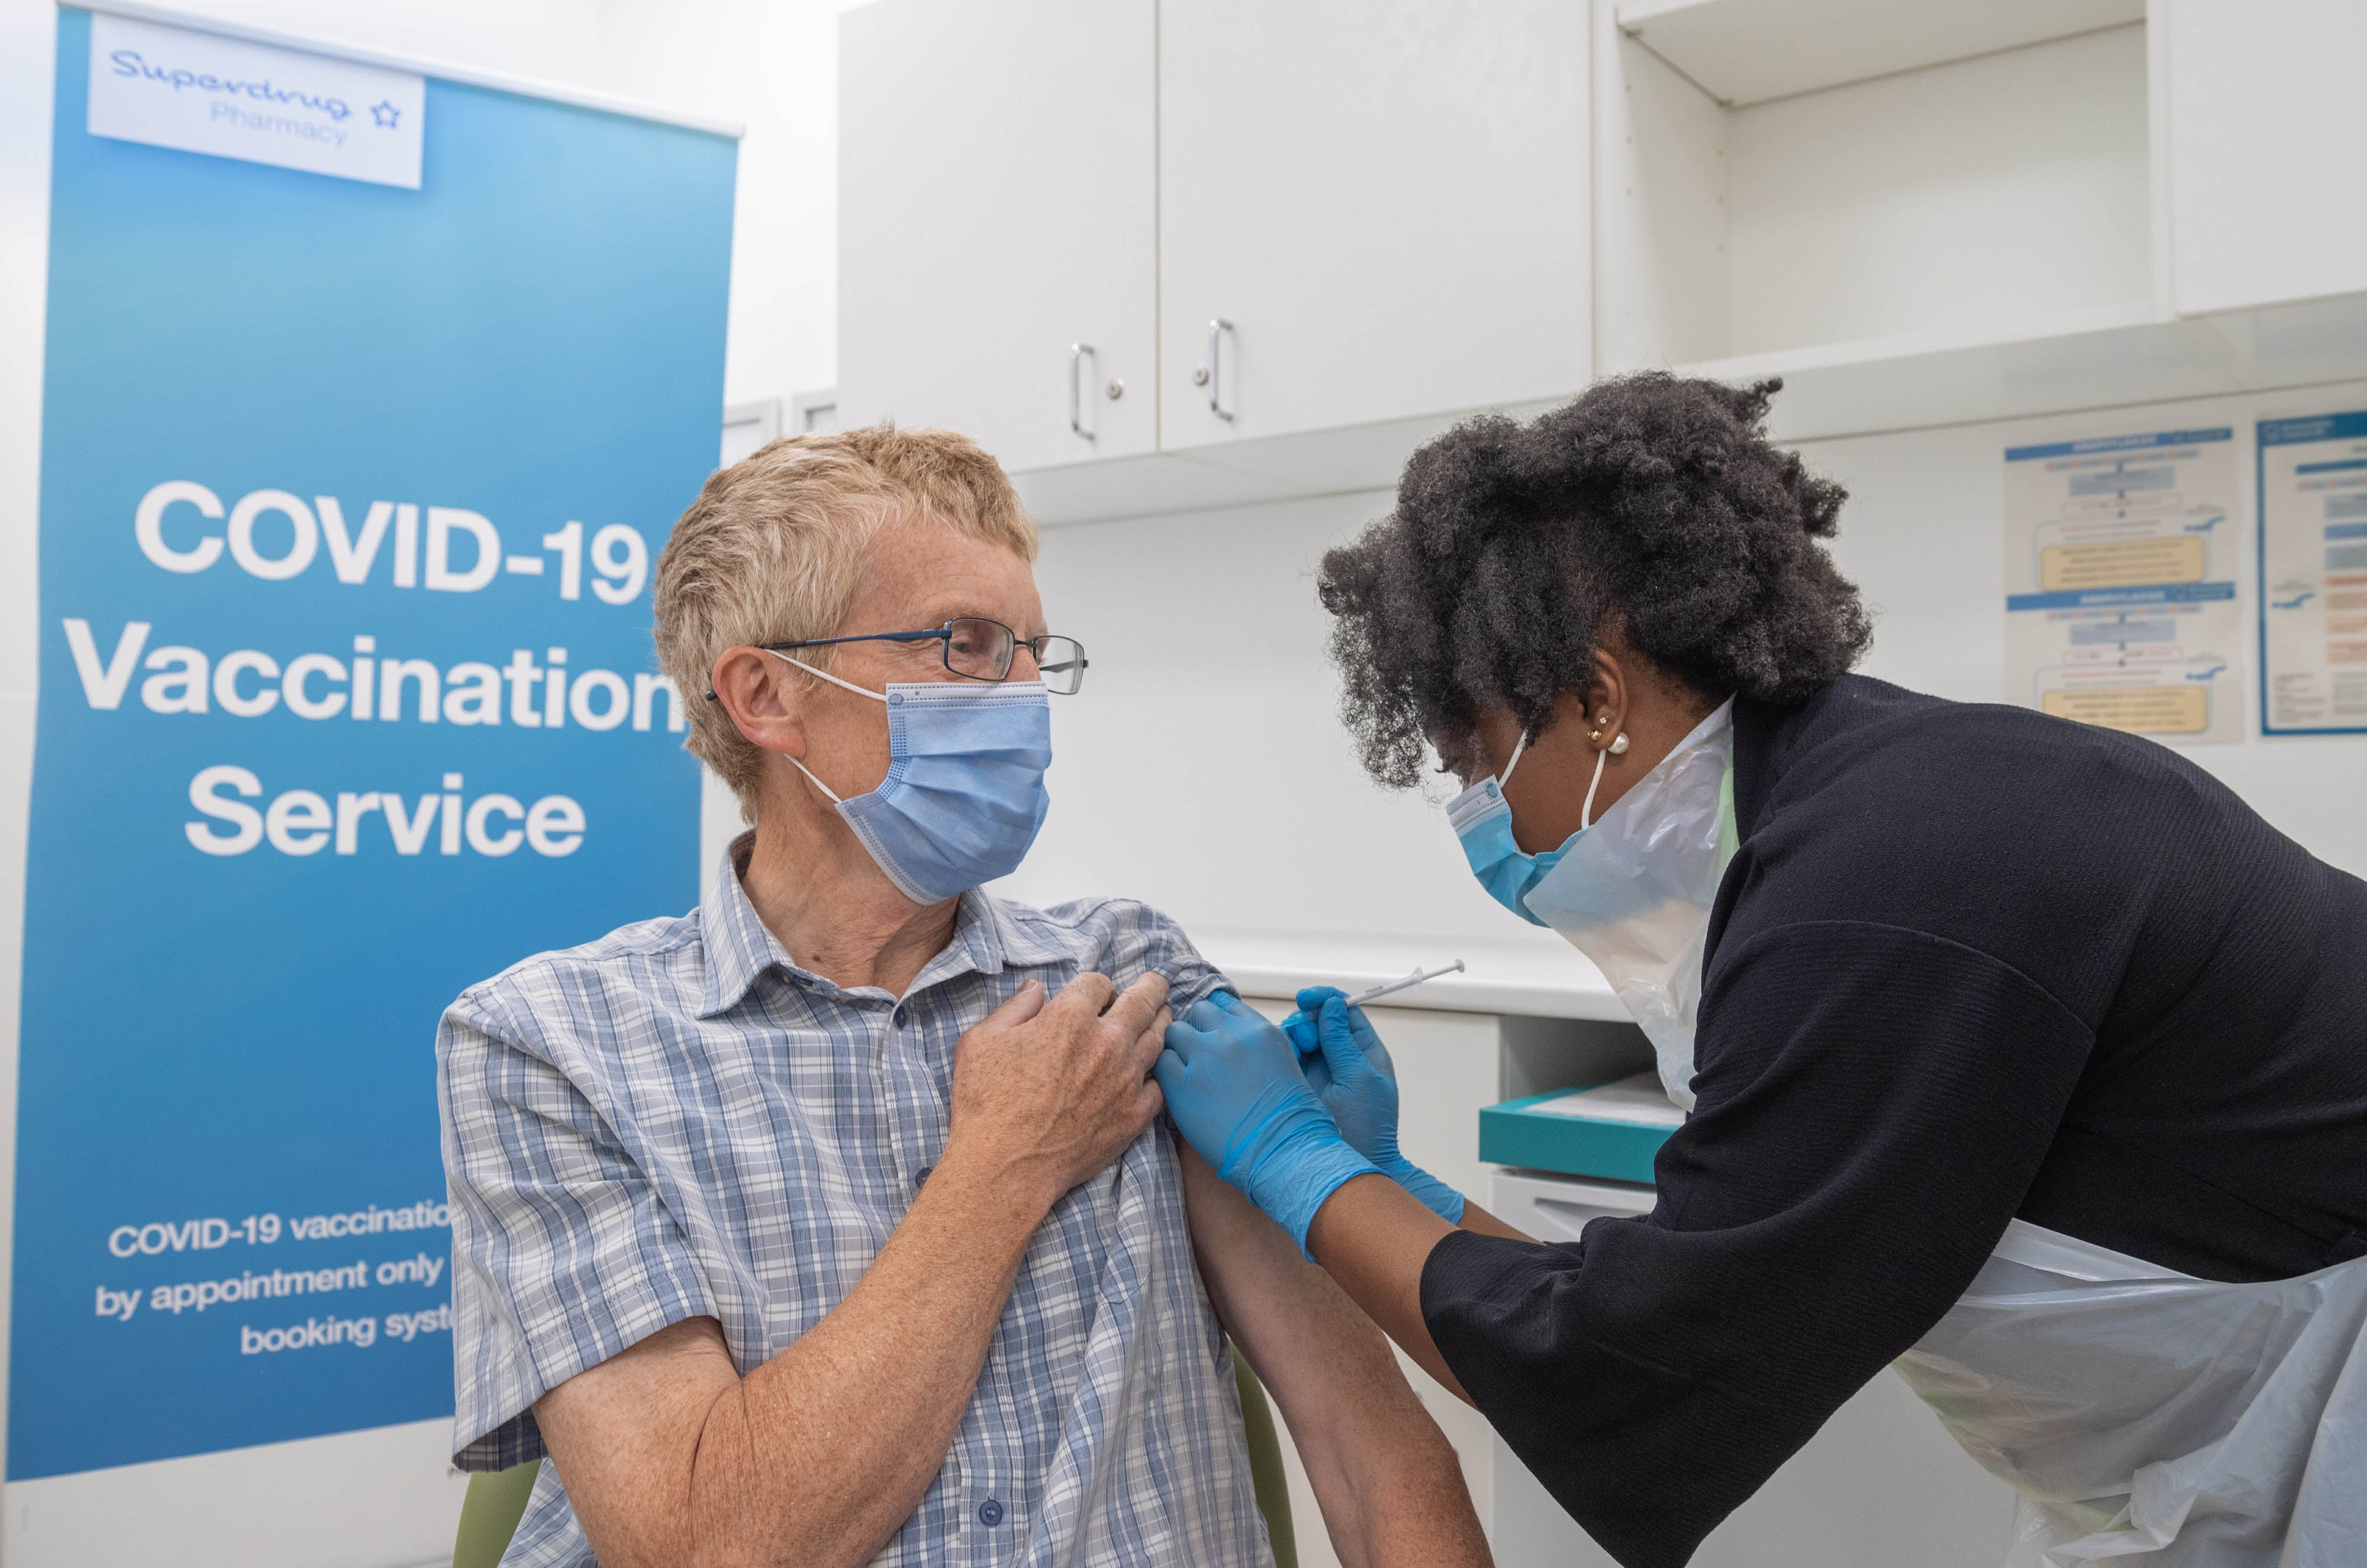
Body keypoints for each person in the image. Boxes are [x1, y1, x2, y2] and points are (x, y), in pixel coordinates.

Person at [1153, 375, 2367, 1568]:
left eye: (1471, 758)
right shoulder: (1843, 818)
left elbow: (1624, 1366)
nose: (1475, 811)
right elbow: (1667, 1284)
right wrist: (1382, 1179)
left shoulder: (1889, 892)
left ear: (1592, 697)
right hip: (2231, 1430)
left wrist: (1289, 1159)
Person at [436, 427, 1490, 1568]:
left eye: (1037, 650)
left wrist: (1346, 1173)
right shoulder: (554, 1046)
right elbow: (706, 1546)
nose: (1028, 694)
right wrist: (1006, 1162)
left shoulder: (1127, 983)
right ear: (767, 693)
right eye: (969, 643)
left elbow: (1377, 1462)